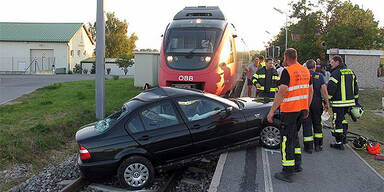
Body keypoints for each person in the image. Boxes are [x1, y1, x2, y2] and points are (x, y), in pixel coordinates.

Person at [267, 48, 313, 183]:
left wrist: (271, 111)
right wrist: (307, 107)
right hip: (301, 110)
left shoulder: (287, 71)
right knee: (295, 137)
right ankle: (297, 164)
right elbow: (311, 90)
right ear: (296, 57)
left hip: (289, 111)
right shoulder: (306, 71)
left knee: (286, 139)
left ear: (286, 57)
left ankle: (287, 171)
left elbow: (282, 91)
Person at [327, 55, 359, 150]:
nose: (331, 65)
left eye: (332, 63)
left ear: (337, 62)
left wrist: (327, 100)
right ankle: (344, 137)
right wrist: (356, 102)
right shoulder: (351, 72)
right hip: (349, 103)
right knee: (343, 120)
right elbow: (356, 88)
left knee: (337, 122)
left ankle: (339, 142)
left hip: (338, 103)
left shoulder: (336, 73)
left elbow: (331, 88)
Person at [302, 59, 330, 153]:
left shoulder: (303, 76)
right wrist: (327, 103)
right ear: (315, 67)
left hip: (306, 103)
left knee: (307, 125)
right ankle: (318, 145)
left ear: (306, 67)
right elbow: (324, 90)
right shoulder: (320, 76)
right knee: (317, 124)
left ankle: (308, 147)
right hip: (317, 103)